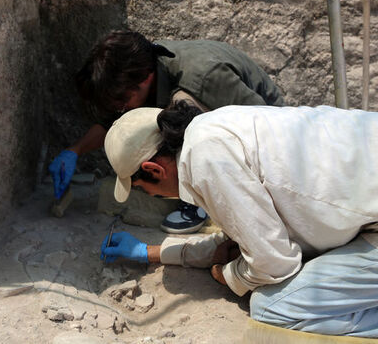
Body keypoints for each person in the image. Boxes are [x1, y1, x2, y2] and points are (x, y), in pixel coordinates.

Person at [99, 101, 378, 341]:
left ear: (153, 170)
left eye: (143, 189)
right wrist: (152, 252)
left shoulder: (206, 162)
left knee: (275, 305)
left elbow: (274, 264)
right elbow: (238, 239)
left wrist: (230, 276)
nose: (153, 196)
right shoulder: (216, 128)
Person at [48, 30, 284, 233]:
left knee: (180, 111)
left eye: (123, 102)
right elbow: (113, 122)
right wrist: (74, 151)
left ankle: (197, 201)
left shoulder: (203, 77)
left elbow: (264, 126)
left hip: (268, 132)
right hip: (249, 125)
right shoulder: (142, 65)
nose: (122, 110)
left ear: (146, 79)